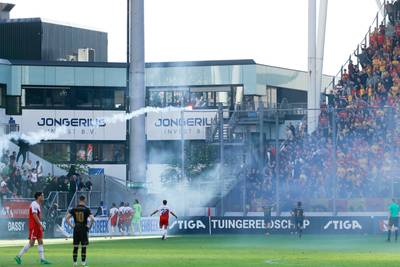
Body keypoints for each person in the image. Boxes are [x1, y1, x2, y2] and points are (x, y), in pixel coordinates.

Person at [15, 192, 51, 265]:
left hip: (37, 226)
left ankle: (42, 259)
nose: (43, 197)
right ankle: (18, 256)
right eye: (42, 195)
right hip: (34, 226)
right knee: (31, 243)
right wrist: (41, 224)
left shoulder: (38, 205)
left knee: (40, 241)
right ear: (38, 197)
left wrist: (40, 225)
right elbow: (34, 215)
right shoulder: (34, 204)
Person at [65, 195, 94, 267]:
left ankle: (74, 263)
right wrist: (89, 226)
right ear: (85, 200)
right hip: (83, 228)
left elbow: (67, 218)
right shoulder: (87, 209)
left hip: (76, 228)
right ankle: (83, 263)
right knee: (83, 246)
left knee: (75, 246)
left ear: (79, 200)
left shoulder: (74, 208)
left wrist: (72, 226)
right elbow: (92, 219)